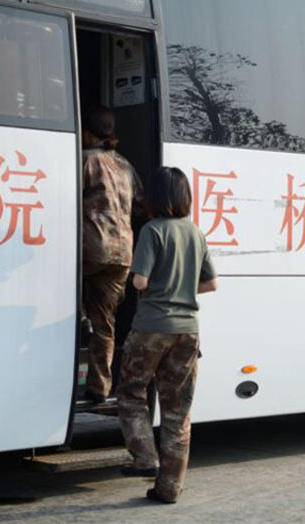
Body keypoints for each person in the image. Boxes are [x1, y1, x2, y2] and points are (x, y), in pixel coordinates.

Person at [117, 166, 218, 504]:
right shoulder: (195, 232)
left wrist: (152, 287)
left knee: (131, 391)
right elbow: (211, 283)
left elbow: (140, 281)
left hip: (151, 328)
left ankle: (145, 458)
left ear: (155, 198)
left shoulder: (152, 230)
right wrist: (181, 290)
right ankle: (169, 488)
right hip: (187, 332)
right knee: (177, 412)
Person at [82, 106, 144, 403]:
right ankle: (99, 386)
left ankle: (81, 317)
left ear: (88, 132)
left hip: (92, 248)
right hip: (122, 254)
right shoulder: (125, 165)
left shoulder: (86, 160)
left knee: (59, 297)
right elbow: (141, 202)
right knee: (105, 322)